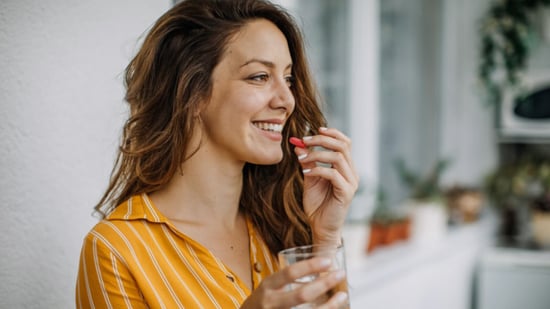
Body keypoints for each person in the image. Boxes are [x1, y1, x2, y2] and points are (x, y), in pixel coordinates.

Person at [75, 0, 358, 308]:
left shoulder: (280, 223)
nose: (287, 100)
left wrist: (326, 238)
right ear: (192, 92)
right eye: (260, 76)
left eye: (288, 79)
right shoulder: (116, 250)